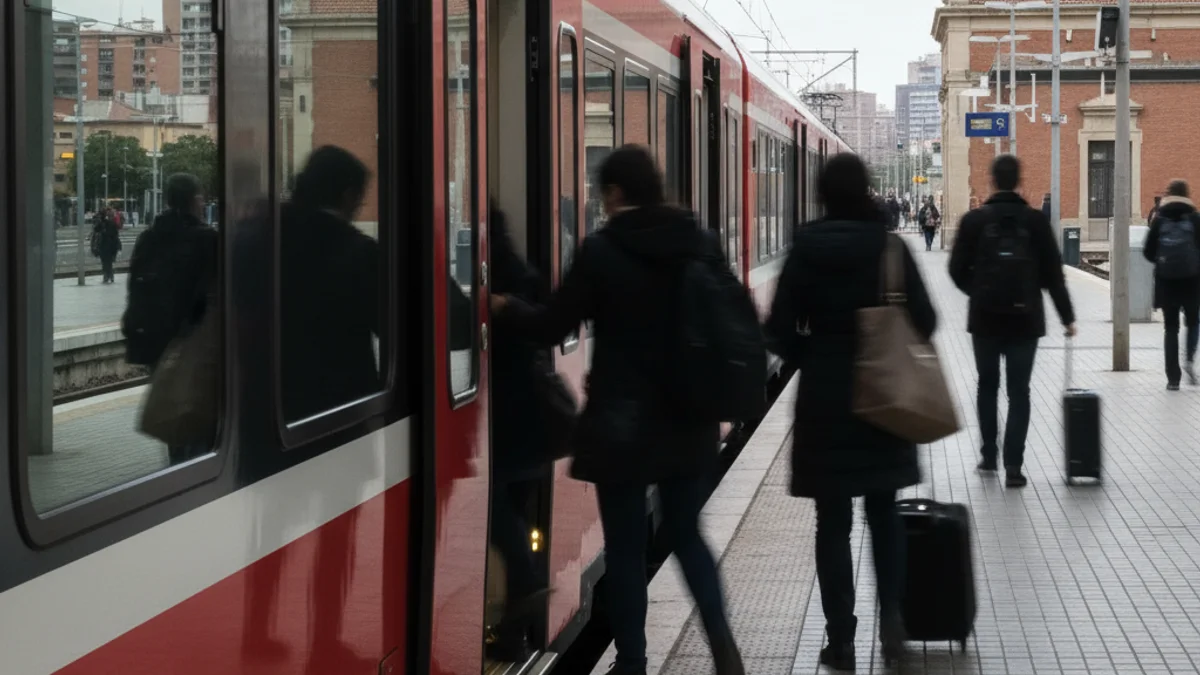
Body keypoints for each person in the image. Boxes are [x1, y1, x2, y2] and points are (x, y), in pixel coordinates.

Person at [491, 145, 744, 675]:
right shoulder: (699, 242)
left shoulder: (602, 252)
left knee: (626, 551)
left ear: (614, 192)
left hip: (621, 427)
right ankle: (722, 643)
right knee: (686, 535)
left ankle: (632, 664)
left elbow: (552, 326)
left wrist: (505, 306)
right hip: (690, 421)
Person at [764, 153, 934, 672]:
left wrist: (815, 354)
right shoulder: (890, 247)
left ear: (822, 194)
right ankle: (893, 627)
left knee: (832, 522)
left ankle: (840, 640)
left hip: (825, 400)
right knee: (884, 515)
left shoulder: (806, 248)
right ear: (866, 192)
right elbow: (926, 320)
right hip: (884, 395)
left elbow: (778, 330)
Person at [949, 155, 1076, 488]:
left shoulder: (974, 221)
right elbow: (1053, 274)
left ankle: (989, 456)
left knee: (987, 386)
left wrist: (978, 292)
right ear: (1019, 181)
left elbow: (955, 270)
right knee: (1019, 391)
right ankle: (1014, 466)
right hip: (1025, 320)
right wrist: (1067, 317)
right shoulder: (1035, 222)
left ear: (992, 181)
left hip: (985, 320)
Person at [122, 173, 218, 462]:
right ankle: (190, 469)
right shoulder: (207, 239)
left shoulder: (149, 237)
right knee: (196, 411)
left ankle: (178, 461)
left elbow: (135, 286)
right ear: (195, 200)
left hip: (155, 339)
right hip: (193, 341)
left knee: (172, 406)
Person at [1143, 180, 1200, 389]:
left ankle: (1173, 379)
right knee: (1193, 322)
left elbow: (1148, 252)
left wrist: (1162, 261)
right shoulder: (1195, 218)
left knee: (1171, 328)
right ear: (1187, 194)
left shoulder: (1160, 219)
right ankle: (1189, 360)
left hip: (1166, 281)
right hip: (1192, 281)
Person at [92, 208, 122, 283]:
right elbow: (116, 236)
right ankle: (109, 275)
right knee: (108, 262)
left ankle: (107, 275)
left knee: (105, 262)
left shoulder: (103, 224)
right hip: (109, 246)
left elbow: (95, 230)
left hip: (105, 245)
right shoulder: (110, 224)